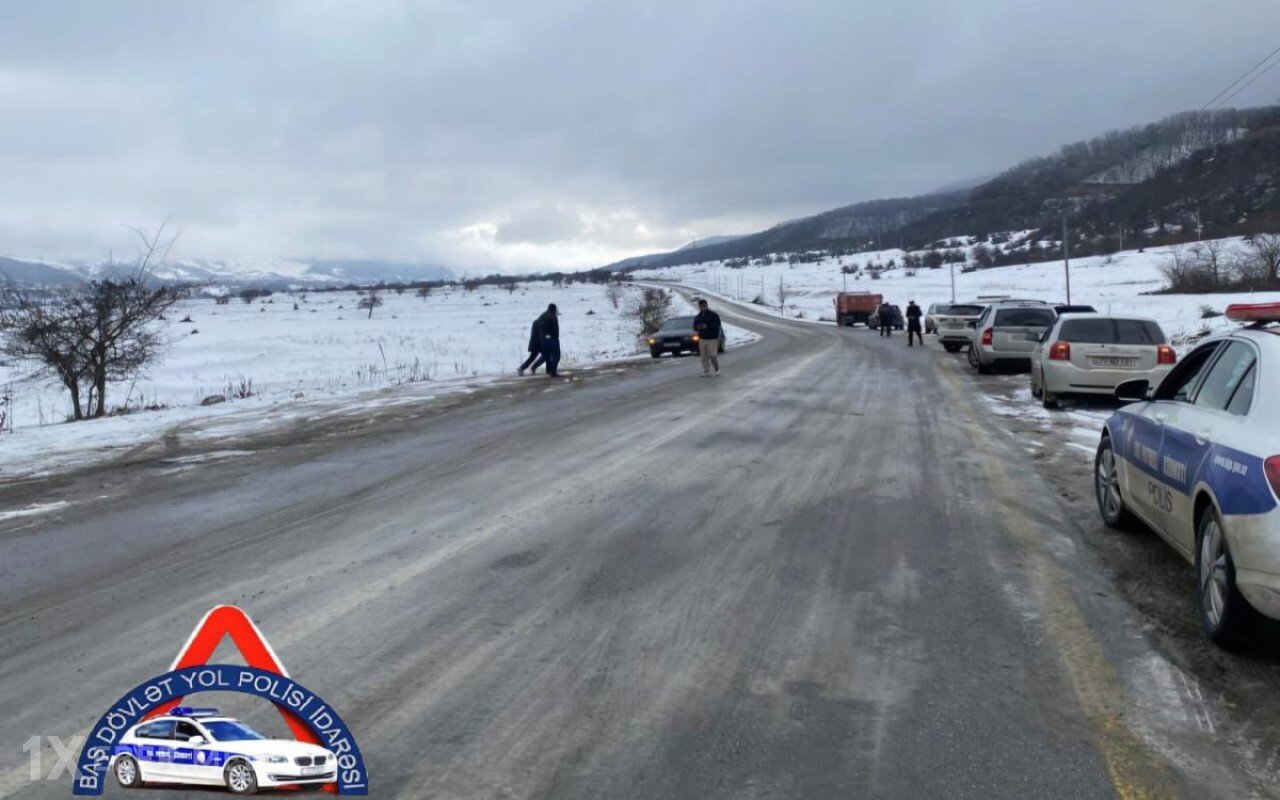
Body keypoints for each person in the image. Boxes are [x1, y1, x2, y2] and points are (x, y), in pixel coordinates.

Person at [692, 299, 722, 376]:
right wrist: (698, 327)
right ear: (699, 307)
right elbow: (694, 327)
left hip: (712, 338)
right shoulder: (698, 317)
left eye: (704, 305)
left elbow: (717, 325)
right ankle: (706, 371)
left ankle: (717, 368)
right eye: (701, 306)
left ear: (706, 305)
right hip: (702, 338)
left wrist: (707, 326)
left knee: (712, 355)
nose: (702, 307)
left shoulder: (713, 315)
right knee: (704, 356)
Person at [537, 303, 561, 377]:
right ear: (554, 309)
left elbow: (538, 326)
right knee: (556, 356)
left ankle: (548, 370)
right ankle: (553, 372)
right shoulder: (553, 316)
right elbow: (555, 328)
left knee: (547, 355)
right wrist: (556, 337)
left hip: (542, 339)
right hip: (552, 339)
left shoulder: (542, 315)